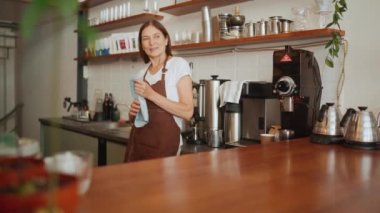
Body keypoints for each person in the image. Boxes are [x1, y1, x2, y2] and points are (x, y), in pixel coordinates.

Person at [124, 20, 193, 162]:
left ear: (166, 40)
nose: (151, 42)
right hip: (138, 147)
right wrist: (133, 113)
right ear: (142, 45)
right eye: (146, 38)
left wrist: (151, 94)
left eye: (156, 36)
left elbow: (187, 112)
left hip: (165, 150)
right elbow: (141, 116)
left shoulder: (178, 65)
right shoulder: (141, 74)